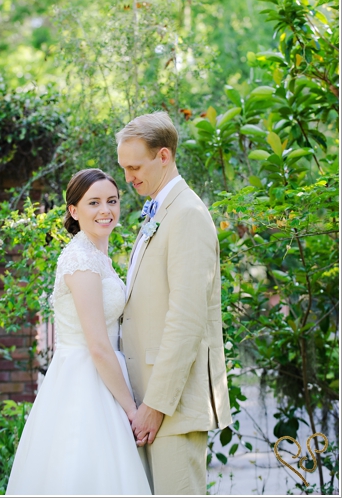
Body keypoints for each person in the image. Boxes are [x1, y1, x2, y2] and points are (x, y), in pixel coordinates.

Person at [6, 169, 151, 495]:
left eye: (112, 201)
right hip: (87, 377)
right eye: (94, 202)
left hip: (107, 374)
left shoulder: (100, 256)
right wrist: (132, 411)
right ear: (74, 210)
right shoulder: (81, 260)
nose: (106, 210)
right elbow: (98, 345)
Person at [117, 111, 232, 495]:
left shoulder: (188, 215)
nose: (128, 177)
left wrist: (156, 404)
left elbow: (186, 319)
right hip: (145, 400)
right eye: (124, 167)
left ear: (163, 156)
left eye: (135, 166)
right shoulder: (159, 211)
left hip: (171, 407)